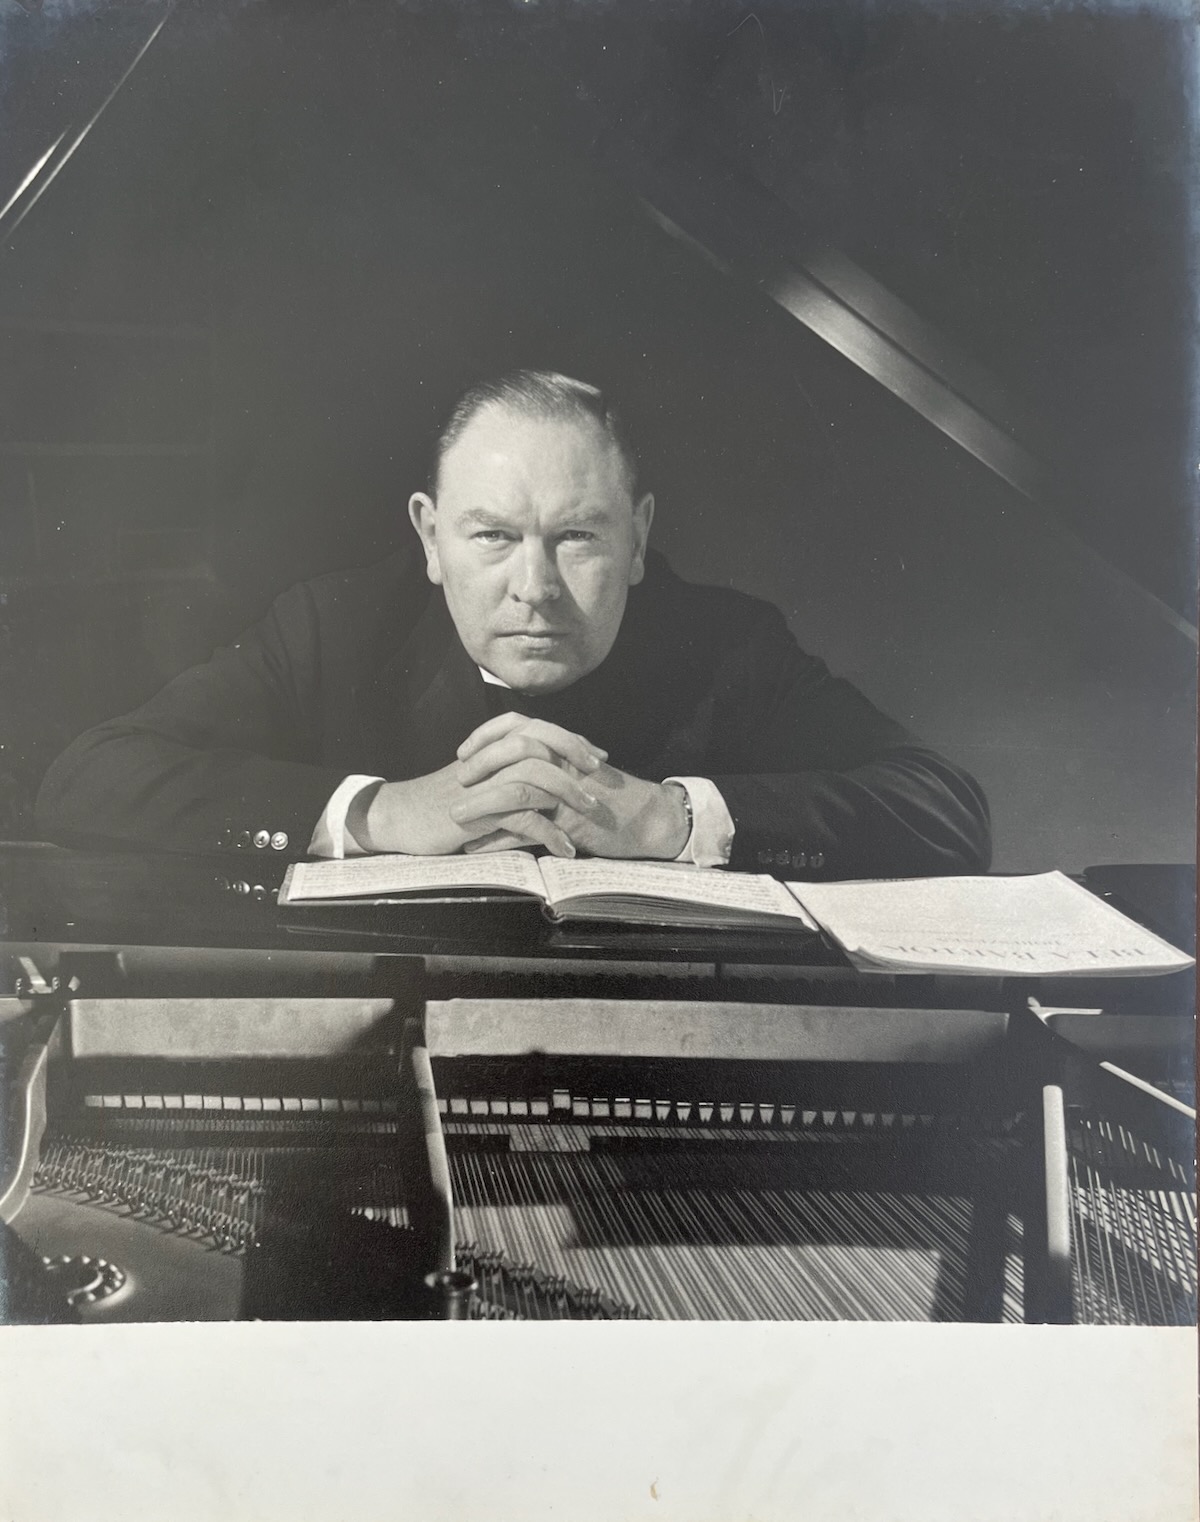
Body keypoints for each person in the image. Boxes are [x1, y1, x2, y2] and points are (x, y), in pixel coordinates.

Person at [35, 370, 990, 877]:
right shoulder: (335, 628)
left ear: (638, 537)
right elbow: (88, 778)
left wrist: (669, 819)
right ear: (431, 537)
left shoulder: (729, 646)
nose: (535, 588)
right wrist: (383, 812)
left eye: (577, 537)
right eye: (492, 536)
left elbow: (946, 812)